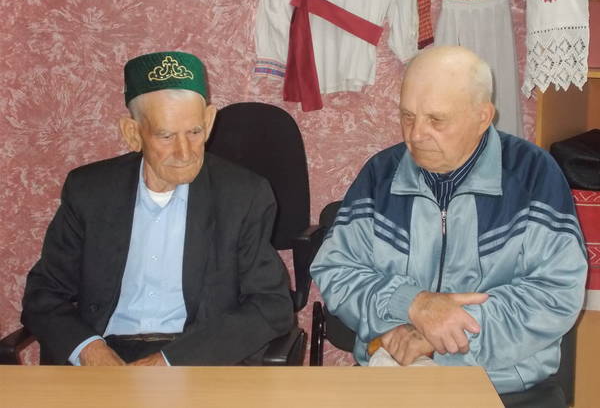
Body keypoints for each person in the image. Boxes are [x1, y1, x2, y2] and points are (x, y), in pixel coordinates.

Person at [310, 46, 588, 394]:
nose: (415, 135)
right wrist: (411, 303)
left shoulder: (533, 175)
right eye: (407, 116)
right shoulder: (380, 175)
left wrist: (440, 335)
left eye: (436, 120)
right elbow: (336, 270)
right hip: (394, 375)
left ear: (483, 117)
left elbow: (554, 293)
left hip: (502, 384)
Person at [21, 51, 294, 366]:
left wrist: (169, 361)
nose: (184, 152)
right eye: (166, 136)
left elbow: (271, 305)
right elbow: (43, 293)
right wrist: (90, 351)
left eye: (194, 132)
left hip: (196, 354)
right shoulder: (89, 192)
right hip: (103, 352)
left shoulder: (243, 196)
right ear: (132, 134)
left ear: (208, 122)